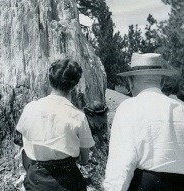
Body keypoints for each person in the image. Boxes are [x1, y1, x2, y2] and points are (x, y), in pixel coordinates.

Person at [103, 53, 184, 191]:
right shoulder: (180, 109)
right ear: (162, 81)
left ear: (131, 81)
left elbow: (121, 162)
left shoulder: (129, 107)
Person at [16, 59, 95, 191]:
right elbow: (85, 157)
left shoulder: (30, 108)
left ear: (50, 80)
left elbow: (23, 142)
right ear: (74, 85)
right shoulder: (77, 116)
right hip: (67, 179)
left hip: (37, 178)